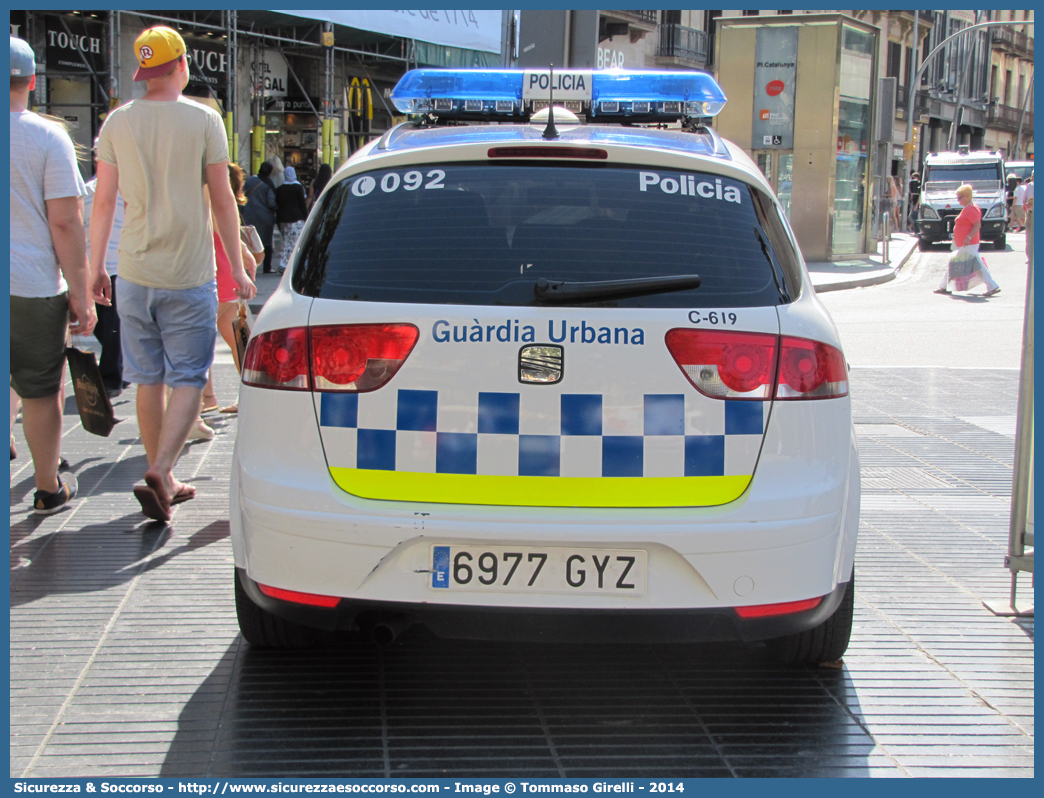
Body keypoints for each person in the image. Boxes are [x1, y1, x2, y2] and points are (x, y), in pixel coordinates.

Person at [88, 25, 256, 522]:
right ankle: (161, 468)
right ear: (181, 66)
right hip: (188, 270)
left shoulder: (117, 122)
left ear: (143, 74)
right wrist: (240, 265)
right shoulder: (204, 120)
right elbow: (223, 199)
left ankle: (163, 475)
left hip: (134, 271)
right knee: (187, 376)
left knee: (147, 378)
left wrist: (96, 266)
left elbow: (102, 203)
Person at [10, 35, 96, 514]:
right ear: (33, 82)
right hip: (31, 286)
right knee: (41, 388)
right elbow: (65, 221)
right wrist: (81, 294)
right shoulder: (47, 136)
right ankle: (48, 487)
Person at [83, 174, 127, 398]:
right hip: (96, 265)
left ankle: (111, 376)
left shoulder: (130, 186)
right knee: (104, 324)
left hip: (121, 265)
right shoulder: (88, 190)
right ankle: (119, 366)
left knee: (112, 325)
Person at [935, 184, 1001, 297]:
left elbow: (977, 225)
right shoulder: (968, 208)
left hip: (969, 243)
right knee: (956, 263)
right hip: (964, 243)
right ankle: (943, 286)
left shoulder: (972, 209)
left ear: (966, 196)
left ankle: (993, 286)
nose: (958, 200)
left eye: (959, 197)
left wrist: (969, 237)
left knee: (977, 265)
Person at [242, 161, 278, 274]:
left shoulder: (249, 180)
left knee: (248, 240)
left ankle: (247, 265)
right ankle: (267, 267)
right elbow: (271, 202)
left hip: (248, 214)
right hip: (265, 217)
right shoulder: (268, 184)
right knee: (266, 241)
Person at [275, 165, 308, 274]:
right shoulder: (298, 188)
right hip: (296, 219)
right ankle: (284, 264)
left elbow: (278, 206)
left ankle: (286, 264)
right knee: (293, 243)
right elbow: (302, 204)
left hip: (283, 220)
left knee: (287, 241)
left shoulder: (279, 189)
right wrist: (306, 217)